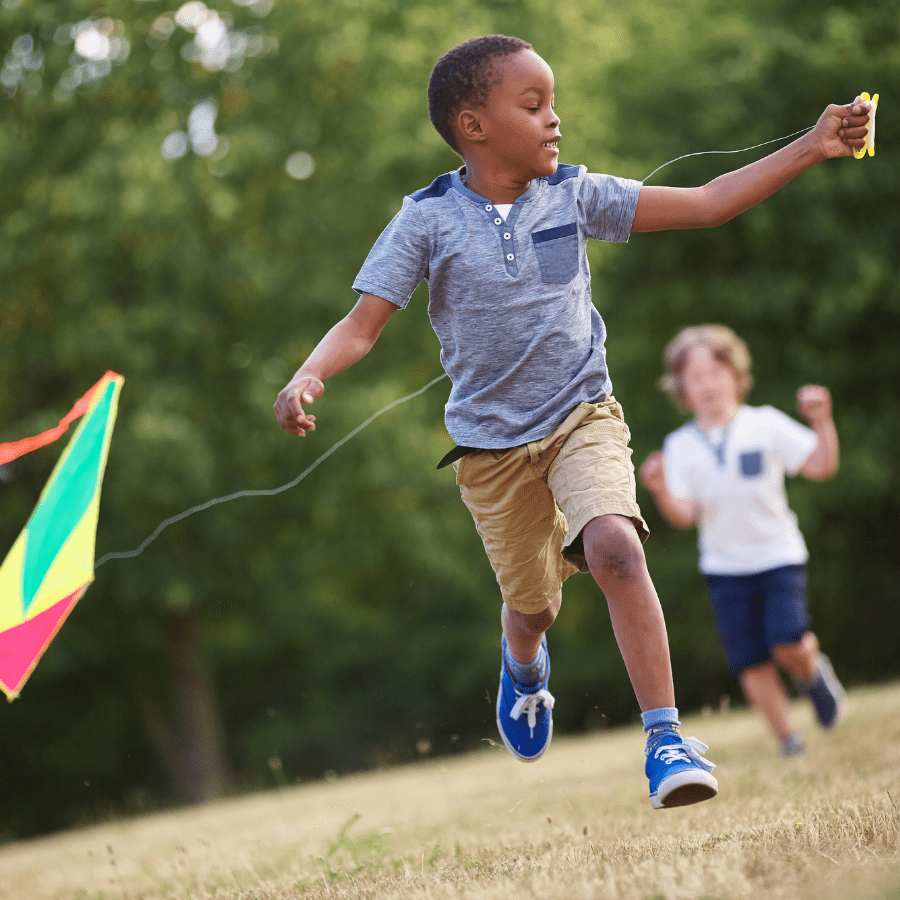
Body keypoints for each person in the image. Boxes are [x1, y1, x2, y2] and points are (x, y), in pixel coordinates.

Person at [273, 35, 869, 807]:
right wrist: (307, 374)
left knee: (616, 546)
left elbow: (709, 203)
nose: (556, 120)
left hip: (583, 414)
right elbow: (361, 324)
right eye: (534, 105)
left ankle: (665, 739)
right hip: (489, 450)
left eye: (553, 103)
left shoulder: (575, 194)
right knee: (536, 607)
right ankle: (523, 670)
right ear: (474, 125)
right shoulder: (425, 220)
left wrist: (812, 145)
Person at [640, 325, 846, 758]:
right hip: (723, 568)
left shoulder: (764, 424)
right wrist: (659, 489)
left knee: (788, 643)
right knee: (750, 662)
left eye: (716, 372)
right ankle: (789, 742)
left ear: (736, 375)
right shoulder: (680, 446)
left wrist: (822, 420)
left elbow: (822, 465)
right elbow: (685, 514)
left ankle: (812, 673)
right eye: (695, 377)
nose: (708, 384)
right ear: (680, 389)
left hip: (778, 558)